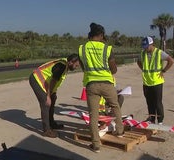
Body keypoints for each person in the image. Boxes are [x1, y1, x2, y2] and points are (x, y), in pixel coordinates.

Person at [78, 22, 124, 153]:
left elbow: (84, 68)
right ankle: (120, 131)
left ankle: (96, 144)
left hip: (91, 84)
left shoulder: (81, 48)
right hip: (107, 83)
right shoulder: (107, 48)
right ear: (101, 35)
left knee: (93, 114)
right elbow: (113, 69)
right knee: (115, 106)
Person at [29, 54, 80, 138]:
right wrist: (48, 96)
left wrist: (53, 94)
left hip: (45, 83)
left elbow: (55, 82)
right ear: (71, 62)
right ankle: (47, 130)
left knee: (52, 100)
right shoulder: (61, 66)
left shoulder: (65, 65)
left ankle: (51, 123)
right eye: (76, 65)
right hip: (37, 80)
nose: (76, 67)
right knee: (46, 103)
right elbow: (52, 81)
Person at [137, 36, 174, 125]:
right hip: (146, 82)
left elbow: (171, 60)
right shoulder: (143, 53)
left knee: (157, 102)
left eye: (146, 46)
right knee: (149, 102)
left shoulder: (159, 52)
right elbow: (138, 61)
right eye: (144, 46)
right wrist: (143, 68)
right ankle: (152, 119)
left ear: (151, 44)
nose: (145, 48)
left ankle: (160, 121)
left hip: (157, 82)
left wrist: (163, 70)